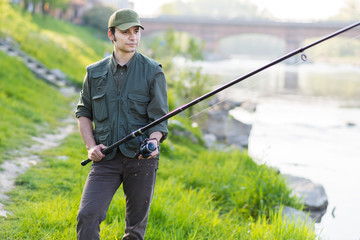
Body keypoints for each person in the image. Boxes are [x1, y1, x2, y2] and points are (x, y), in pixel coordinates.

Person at [75, 8, 168, 240]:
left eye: (136, 31)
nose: (133, 37)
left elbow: (159, 120)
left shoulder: (153, 72)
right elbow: (84, 112)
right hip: (105, 159)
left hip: (141, 161)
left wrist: (154, 142)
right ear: (111, 35)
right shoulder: (94, 73)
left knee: (135, 230)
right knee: (87, 215)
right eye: (125, 32)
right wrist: (90, 146)